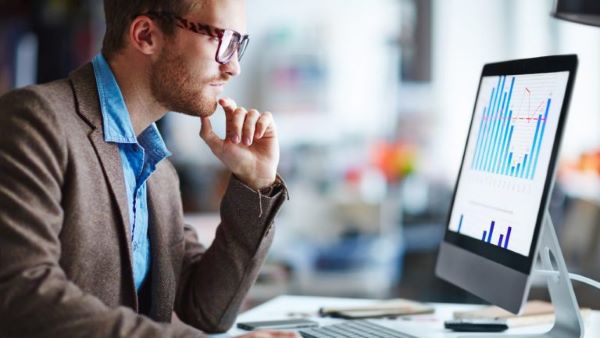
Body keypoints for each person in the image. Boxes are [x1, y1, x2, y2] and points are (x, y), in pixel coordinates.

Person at [0, 0, 296, 337]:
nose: (233, 68)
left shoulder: (157, 169)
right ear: (146, 35)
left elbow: (208, 311)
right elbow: (21, 296)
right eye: (222, 40)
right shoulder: (35, 122)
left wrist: (254, 182)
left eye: (237, 45)